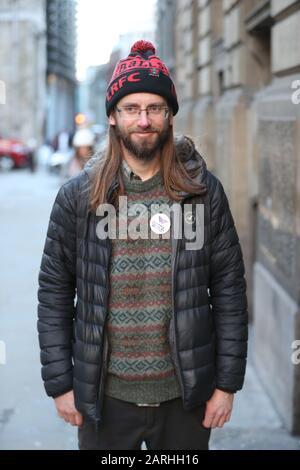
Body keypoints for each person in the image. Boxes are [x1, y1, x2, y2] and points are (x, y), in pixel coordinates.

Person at [37, 40, 248, 450]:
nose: (144, 120)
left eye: (155, 108)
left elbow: (229, 291)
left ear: (169, 117)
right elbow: (54, 294)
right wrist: (61, 383)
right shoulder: (79, 199)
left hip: (184, 399)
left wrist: (226, 385)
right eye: (131, 109)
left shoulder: (203, 193)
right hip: (105, 400)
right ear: (113, 117)